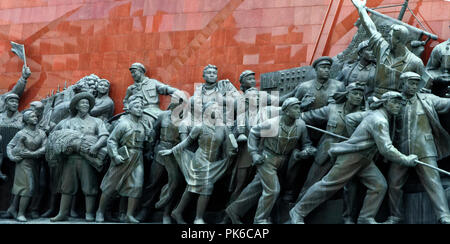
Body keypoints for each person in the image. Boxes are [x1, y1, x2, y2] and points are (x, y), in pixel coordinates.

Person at [289, 91, 418, 224]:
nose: (398, 106)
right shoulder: (379, 120)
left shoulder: (375, 114)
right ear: (385, 103)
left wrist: (355, 138)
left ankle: (365, 218)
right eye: (394, 102)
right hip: (351, 157)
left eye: (399, 103)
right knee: (328, 185)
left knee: (379, 185)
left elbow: (350, 118)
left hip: (365, 159)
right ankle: (297, 211)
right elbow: (386, 149)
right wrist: (406, 159)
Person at [225, 98, 316, 224]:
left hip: (283, 161)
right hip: (267, 160)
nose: (298, 111)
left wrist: (307, 150)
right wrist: (254, 153)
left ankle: (234, 210)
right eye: (295, 108)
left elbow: (306, 143)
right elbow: (253, 133)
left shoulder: (301, 125)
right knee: (273, 190)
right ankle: (260, 220)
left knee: (256, 188)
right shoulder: (272, 123)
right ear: (286, 111)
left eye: (299, 108)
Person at [384, 72, 450, 224]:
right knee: (394, 184)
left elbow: (446, 104)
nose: (415, 86)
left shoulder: (427, 99)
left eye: (416, 84)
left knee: (433, 182)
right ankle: (395, 216)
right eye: (411, 83)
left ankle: (444, 216)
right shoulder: (394, 101)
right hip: (400, 150)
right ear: (403, 83)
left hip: (425, 149)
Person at [296, 82, 366, 224]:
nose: (358, 97)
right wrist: (298, 111)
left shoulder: (364, 114)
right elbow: (306, 117)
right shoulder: (332, 109)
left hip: (348, 155)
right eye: (355, 93)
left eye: (361, 94)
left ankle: (348, 218)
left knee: (350, 188)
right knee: (311, 183)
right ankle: (296, 214)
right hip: (326, 152)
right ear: (347, 95)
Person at [159, 101, 237, 224]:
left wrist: (231, 151)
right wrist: (172, 150)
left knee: (193, 187)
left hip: (213, 162)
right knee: (207, 187)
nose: (217, 111)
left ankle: (177, 211)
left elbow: (228, 144)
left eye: (218, 109)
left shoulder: (223, 127)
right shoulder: (200, 126)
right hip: (199, 161)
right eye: (214, 108)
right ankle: (198, 218)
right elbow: (187, 142)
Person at [50, 92, 109, 222]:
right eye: (82, 103)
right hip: (70, 159)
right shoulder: (67, 122)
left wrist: (96, 147)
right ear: (76, 106)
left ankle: (89, 213)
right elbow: (56, 138)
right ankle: (62, 213)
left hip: (88, 159)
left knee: (90, 187)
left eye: (87, 103)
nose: (85, 105)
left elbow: (104, 136)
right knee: (67, 187)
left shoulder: (97, 121)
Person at [352, 0, 427, 98]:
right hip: (376, 99)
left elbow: (422, 87)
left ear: (399, 40)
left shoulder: (415, 62)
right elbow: (370, 28)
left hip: (398, 104)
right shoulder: (382, 48)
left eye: (389, 37)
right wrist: (361, 9)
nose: (387, 39)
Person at [96, 95, 151, 223]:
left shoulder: (143, 124)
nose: (140, 109)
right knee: (110, 185)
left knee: (136, 185)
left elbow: (147, 143)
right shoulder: (123, 123)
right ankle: (100, 211)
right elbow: (111, 140)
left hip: (138, 157)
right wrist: (115, 155)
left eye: (141, 107)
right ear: (130, 109)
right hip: (124, 156)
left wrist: (149, 136)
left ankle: (129, 215)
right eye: (137, 107)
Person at [135, 99, 184, 224]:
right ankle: (145, 210)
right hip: (160, 152)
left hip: (176, 154)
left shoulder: (187, 119)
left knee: (172, 184)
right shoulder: (163, 116)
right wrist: (150, 150)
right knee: (153, 182)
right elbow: (154, 134)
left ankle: (167, 213)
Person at [6, 110, 47, 222]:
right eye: (32, 116)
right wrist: (12, 157)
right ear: (26, 120)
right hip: (23, 164)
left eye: (35, 116)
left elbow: (45, 147)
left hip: (35, 164)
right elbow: (10, 146)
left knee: (29, 188)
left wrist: (34, 154)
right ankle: (21, 213)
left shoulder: (41, 133)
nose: (35, 117)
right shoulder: (21, 133)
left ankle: (13, 209)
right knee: (28, 188)